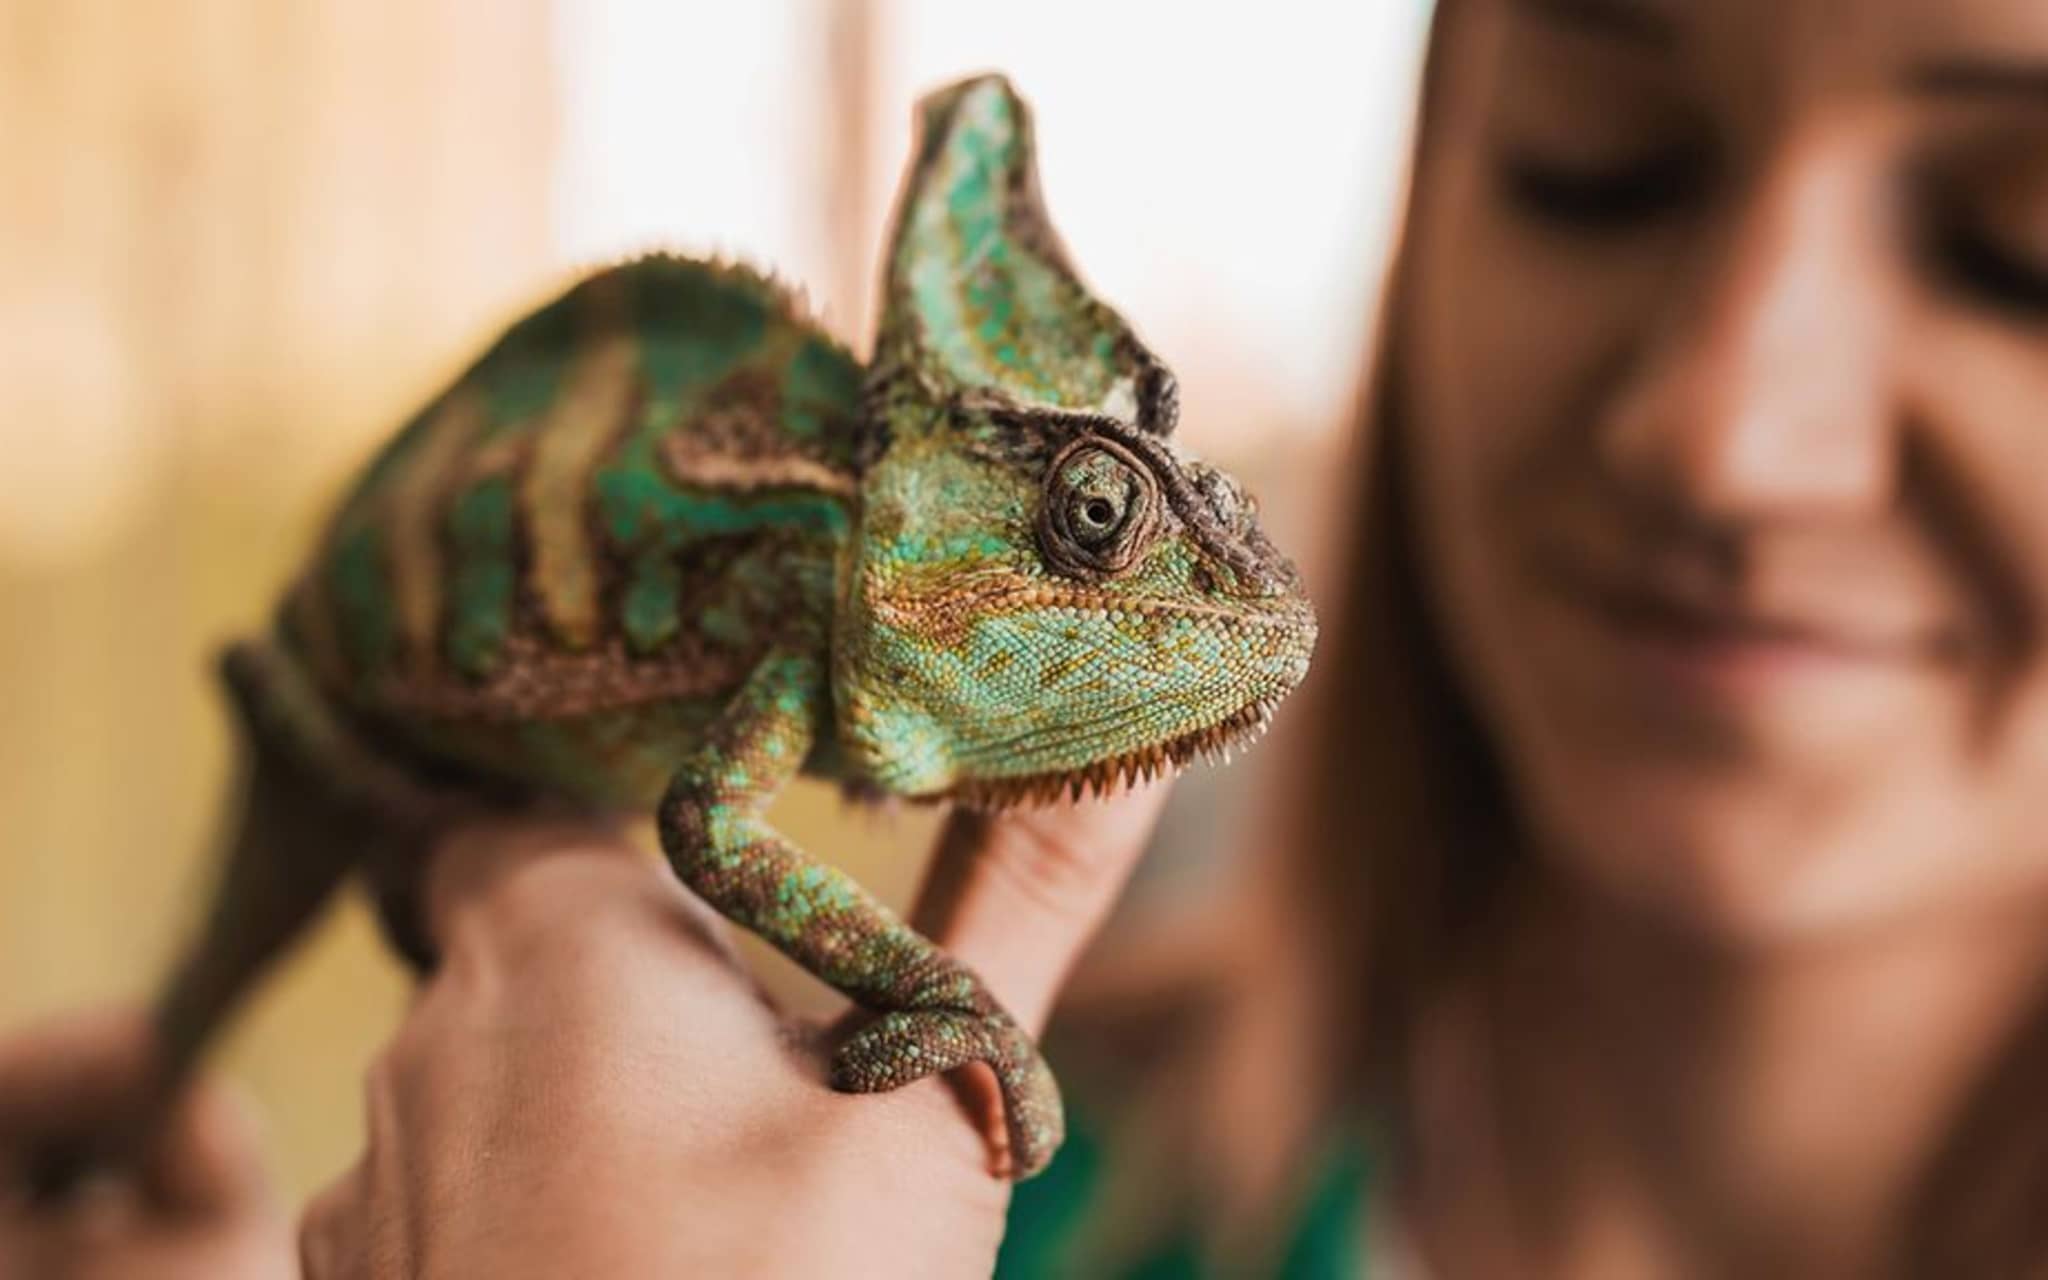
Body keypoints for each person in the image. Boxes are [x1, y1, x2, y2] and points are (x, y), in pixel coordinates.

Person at [13, 0, 2048, 1271]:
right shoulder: (952, 1191)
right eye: (1595, 169)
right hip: (347, 707)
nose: (1724, 429)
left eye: (2018, 237)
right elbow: (718, 835)